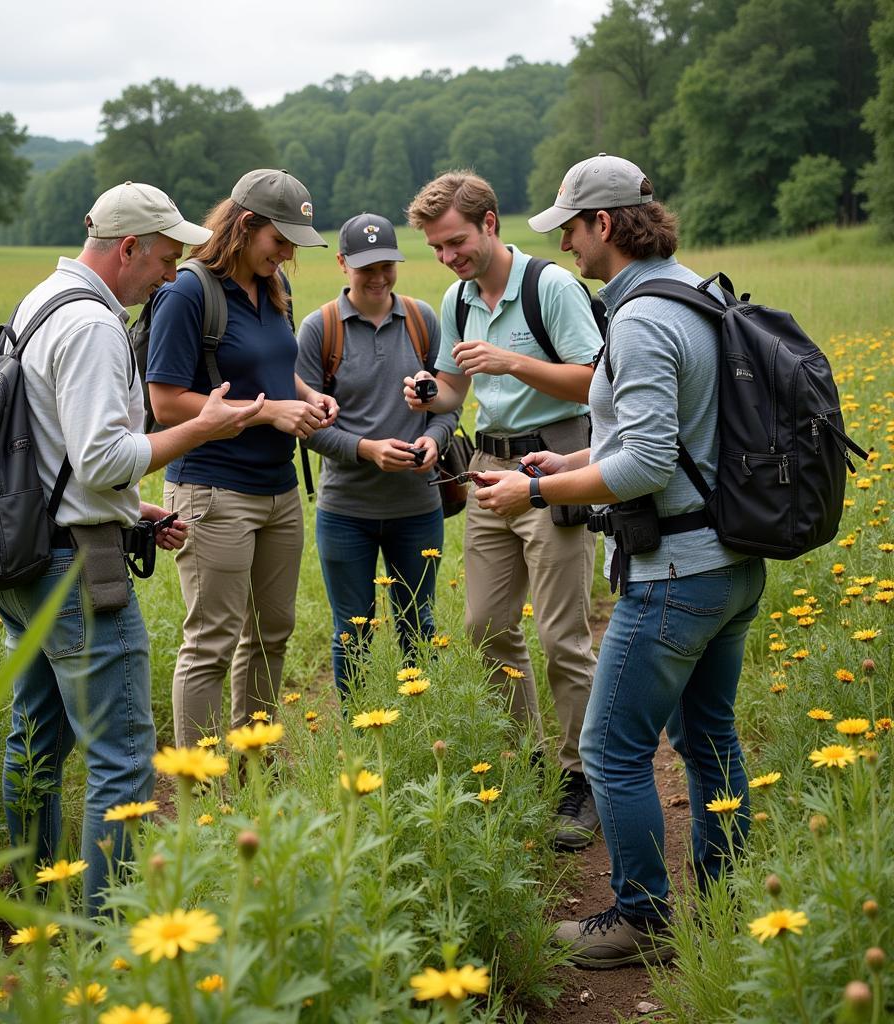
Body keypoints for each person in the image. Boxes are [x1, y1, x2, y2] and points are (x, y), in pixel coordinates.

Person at [475, 153, 766, 967]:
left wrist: (534, 500)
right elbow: (677, 442)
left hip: (676, 572)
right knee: (708, 736)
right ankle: (723, 895)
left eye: (570, 227)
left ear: (604, 224)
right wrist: (562, 469)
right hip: (731, 559)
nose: (565, 243)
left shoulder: (638, 319)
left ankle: (642, 916)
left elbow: (645, 464)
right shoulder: (695, 293)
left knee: (608, 749)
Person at [0, 181, 266, 916]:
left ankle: (35, 906)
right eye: (165, 258)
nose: (172, 274)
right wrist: (202, 429)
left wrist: (127, 510)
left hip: (28, 554)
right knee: (121, 762)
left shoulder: (39, 303)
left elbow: (53, 451)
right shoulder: (92, 324)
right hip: (76, 572)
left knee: (36, 743)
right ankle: (109, 930)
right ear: (128, 249)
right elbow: (102, 457)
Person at [404, 171, 603, 850]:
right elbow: (455, 388)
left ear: (490, 223)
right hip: (487, 470)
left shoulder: (550, 287)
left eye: (456, 241)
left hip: (557, 462)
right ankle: (532, 761)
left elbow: (596, 380)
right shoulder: (458, 298)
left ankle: (584, 778)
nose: (448, 257)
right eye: (436, 247)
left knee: (562, 634)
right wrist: (427, 392)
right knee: (486, 626)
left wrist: (512, 364)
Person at [145, 169, 338, 745]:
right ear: (245, 224)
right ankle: (200, 788)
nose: (286, 255)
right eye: (279, 241)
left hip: (278, 489)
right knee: (212, 641)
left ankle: (256, 764)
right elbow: (168, 402)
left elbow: (273, 372)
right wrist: (269, 414)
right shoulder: (189, 291)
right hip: (213, 490)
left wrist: (306, 396)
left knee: (273, 631)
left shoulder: (272, 288)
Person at [295, 213, 458, 696]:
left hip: (418, 509)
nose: (379, 276)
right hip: (346, 513)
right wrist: (366, 450)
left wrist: (436, 440)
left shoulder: (422, 320)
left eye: (387, 264)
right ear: (343, 263)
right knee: (353, 629)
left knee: (419, 624)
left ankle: (421, 729)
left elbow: (445, 404)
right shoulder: (319, 329)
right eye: (366, 266)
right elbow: (305, 427)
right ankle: (359, 736)